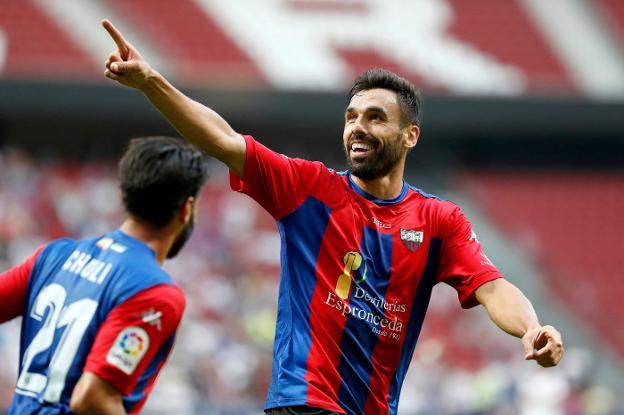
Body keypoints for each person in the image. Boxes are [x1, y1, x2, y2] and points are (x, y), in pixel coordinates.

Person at [101, 19, 564, 415]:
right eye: (351, 116)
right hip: (303, 402)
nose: (357, 126)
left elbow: (491, 286)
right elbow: (222, 139)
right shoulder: (309, 188)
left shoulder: (438, 219)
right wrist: (149, 83)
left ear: (410, 136)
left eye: (375, 117)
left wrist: (532, 328)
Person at [0, 136, 209, 414]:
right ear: (186, 209)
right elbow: (92, 397)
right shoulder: (154, 292)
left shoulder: (54, 256)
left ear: (123, 195)